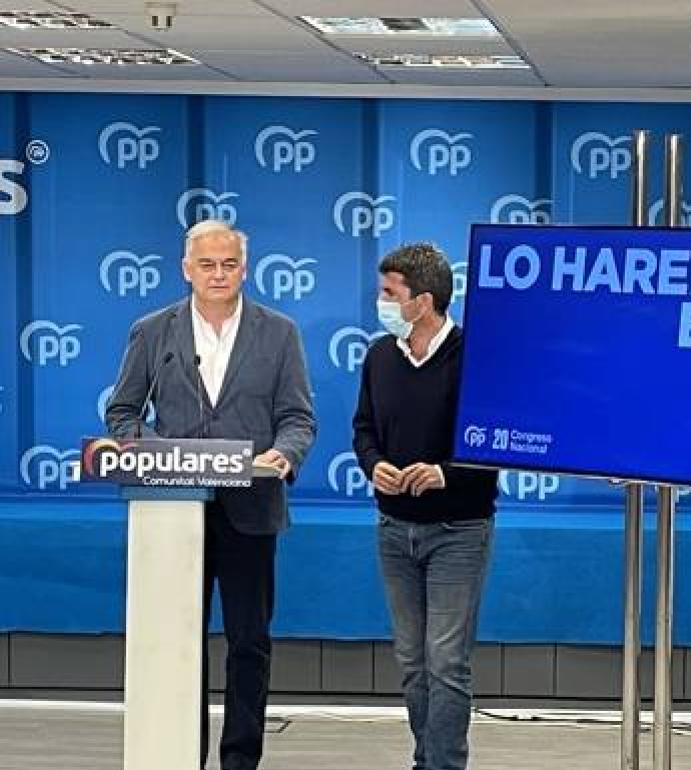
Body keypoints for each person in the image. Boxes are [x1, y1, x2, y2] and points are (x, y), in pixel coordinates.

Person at [105, 219, 317, 770]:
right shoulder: (154, 331)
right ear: (186, 269)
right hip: (173, 515)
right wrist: (155, 452)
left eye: (228, 264)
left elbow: (297, 418)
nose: (218, 274)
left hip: (251, 511)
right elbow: (123, 414)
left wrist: (284, 455)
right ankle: (179, 754)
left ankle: (240, 759)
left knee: (249, 644)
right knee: (179, 647)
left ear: (244, 269)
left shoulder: (280, 332)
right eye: (207, 264)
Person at [352, 242, 499, 770]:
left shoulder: (477, 357)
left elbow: (496, 443)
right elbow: (363, 429)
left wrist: (443, 473)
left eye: (390, 292)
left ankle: (443, 765)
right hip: (394, 530)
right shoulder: (379, 356)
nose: (381, 300)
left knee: (445, 662)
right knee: (412, 662)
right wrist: (375, 466)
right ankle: (426, 758)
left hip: (459, 530)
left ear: (424, 300)